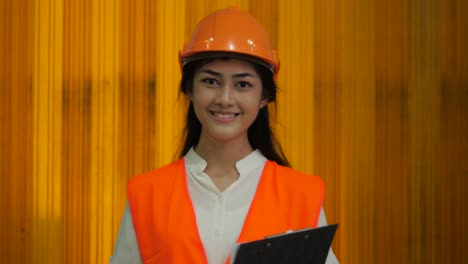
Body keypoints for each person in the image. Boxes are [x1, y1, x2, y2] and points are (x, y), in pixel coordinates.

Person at [110, 6, 339, 264]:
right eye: (211, 81)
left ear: (264, 96)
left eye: (243, 84)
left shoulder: (300, 196)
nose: (225, 99)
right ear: (190, 89)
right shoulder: (148, 195)